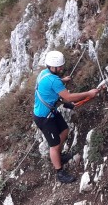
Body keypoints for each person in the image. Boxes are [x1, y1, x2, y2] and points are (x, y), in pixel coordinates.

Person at [33, 49, 102, 183]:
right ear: (52, 67)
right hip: (44, 118)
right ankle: (59, 172)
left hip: (50, 112)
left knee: (65, 130)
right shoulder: (53, 81)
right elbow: (69, 97)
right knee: (54, 145)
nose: (61, 68)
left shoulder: (44, 73)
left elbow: (50, 84)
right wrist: (88, 93)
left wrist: (63, 80)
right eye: (59, 67)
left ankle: (58, 155)